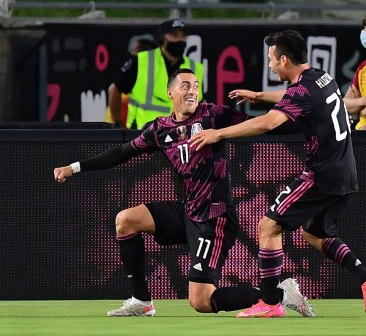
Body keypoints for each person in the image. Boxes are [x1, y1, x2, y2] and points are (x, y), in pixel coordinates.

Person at [54, 69, 314, 317]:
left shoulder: (213, 115)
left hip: (215, 217)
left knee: (200, 301)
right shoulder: (160, 129)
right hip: (189, 210)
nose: (193, 91)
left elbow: (266, 125)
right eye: (186, 85)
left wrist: (311, 122)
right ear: (170, 92)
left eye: (197, 86)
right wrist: (74, 168)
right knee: (126, 220)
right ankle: (142, 301)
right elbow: (122, 153)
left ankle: (279, 293)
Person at [190, 30, 366, 317]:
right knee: (313, 233)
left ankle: (270, 303)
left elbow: (270, 123)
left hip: (321, 173)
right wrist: (258, 95)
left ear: (284, 59)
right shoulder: (322, 77)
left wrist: (218, 133)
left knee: (267, 227)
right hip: (346, 173)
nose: (269, 65)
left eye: (271, 59)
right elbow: (294, 96)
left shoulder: (302, 90)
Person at [108, 19, 204, 129]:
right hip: (143, 135)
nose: (180, 40)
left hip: (180, 137)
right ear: (163, 38)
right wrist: (117, 124)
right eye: (174, 35)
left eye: (183, 36)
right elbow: (114, 90)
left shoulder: (195, 68)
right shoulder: (142, 61)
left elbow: (198, 106)